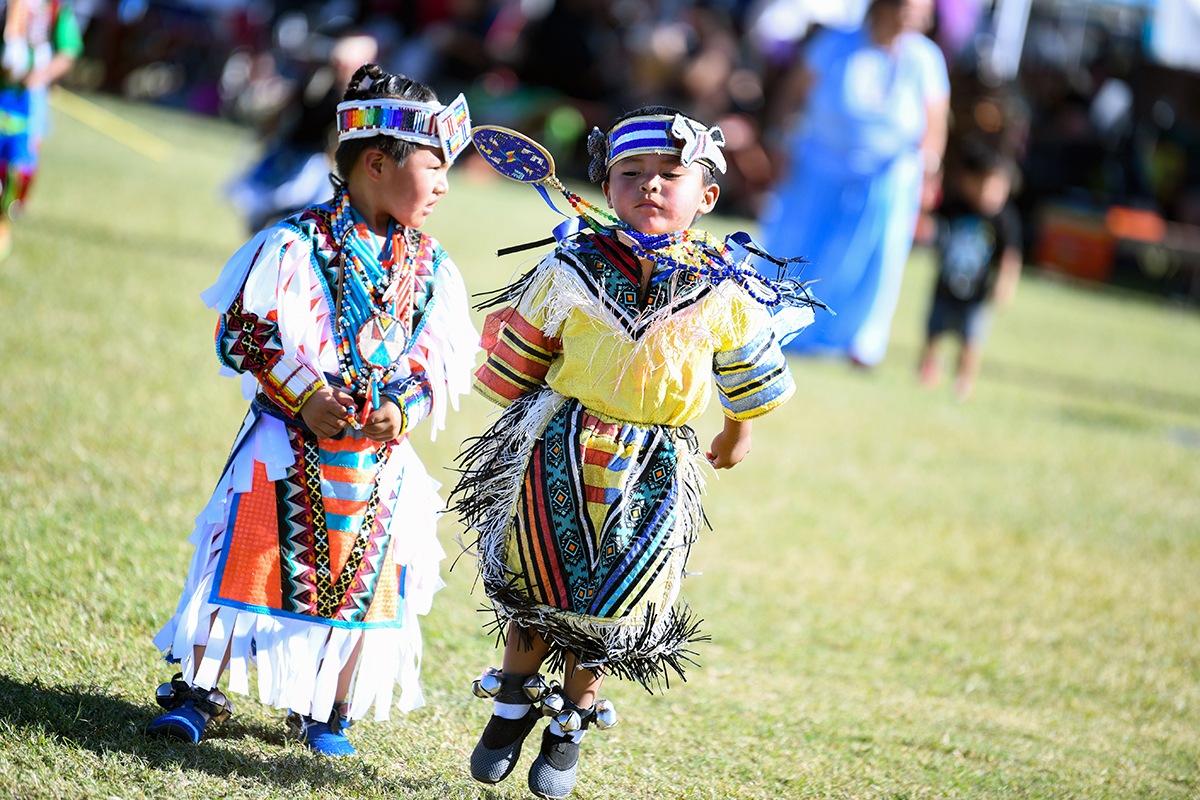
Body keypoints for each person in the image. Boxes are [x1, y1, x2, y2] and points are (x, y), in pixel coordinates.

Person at [452, 107, 819, 799]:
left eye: (670, 174)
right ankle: (511, 704)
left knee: (614, 597)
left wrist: (737, 430)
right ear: (606, 187)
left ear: (707, 196)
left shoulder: (724, 285)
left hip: (655, 463)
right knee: (537, 578)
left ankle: (571, 721)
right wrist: (507, 386)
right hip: (559, 445)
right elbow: (522, 356)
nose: (650, 184)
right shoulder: (571, 265)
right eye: (631, 173)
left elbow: (745, 367)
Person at [146, 64, 478, 756]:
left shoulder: (432, 266)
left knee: (366, 584)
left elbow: (436, 364)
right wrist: (306, 393)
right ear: (377, 163)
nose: (446, 184)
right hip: (285, 452)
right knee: (247, 561)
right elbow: (243, 332)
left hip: (374, 467)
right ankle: (199, 689)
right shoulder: (295, 242)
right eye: (435, 166)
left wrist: (402, 408)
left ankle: (328, 710)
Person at [758, 0, 949, 366]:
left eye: (923, 11)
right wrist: (779, 140)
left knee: (878, 255)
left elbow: (935, 123)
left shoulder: (926, 59)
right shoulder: (835, 43)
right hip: (819, 163)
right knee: (800, 246)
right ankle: (778, 325)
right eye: (910, 8)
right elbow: (792, 93)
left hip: (888, 174)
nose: (918, 17)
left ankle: (859, 341)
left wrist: (929, 171)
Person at [918, 138, 1021, 400]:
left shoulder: (1003, 219)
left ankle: (964, 379)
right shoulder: (954, 207)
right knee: (933, 329)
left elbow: (1010, 256)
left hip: (977, 294)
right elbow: (932, 226)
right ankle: (928, 368)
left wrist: (1006, 285)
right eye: (986, 185)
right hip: (945, 285)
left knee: (972, 338)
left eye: (999, 188)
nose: (992, 193)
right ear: (967, 181)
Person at [0, 0, 83, 259]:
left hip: (28, 108)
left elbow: (68, 51)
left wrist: (41, 75)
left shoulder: (55, 7)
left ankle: (3, 225)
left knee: (17, 173)